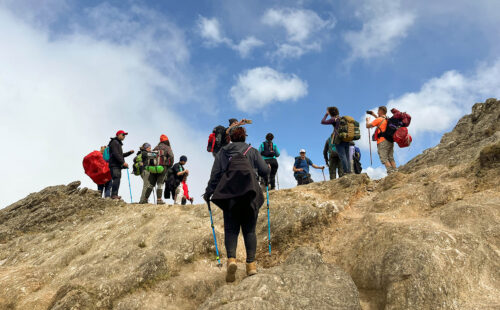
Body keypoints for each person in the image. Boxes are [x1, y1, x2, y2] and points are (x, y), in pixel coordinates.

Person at [204, 127, 270, 283]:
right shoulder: (252, 151)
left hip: (230, 195)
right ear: (244, 137)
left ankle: (232, 260)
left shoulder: (223, 152)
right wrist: (268, 168)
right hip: (250, 195)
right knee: (249, 230)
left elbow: (215, 175)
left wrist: (208, 192)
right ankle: (251, 265)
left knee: (231, 229)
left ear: (231, 138)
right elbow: (264, 171)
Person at [143, 135, 174, 204]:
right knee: (160, 184)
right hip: (162, 167)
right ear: (167, 141)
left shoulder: (156, 147)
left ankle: (145, 199)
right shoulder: (167, 148)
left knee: (151, 184)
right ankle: (159, 200)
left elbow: (150, 157)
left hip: (153, 168)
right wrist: (169, 165)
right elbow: (171, 156)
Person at [366, 106, 397, 174]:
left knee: (384, 158)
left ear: (381, 111)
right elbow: (379, 121)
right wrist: (373, 114)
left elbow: (368, 126)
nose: (377, 112)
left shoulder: (379, 119)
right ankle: (395, 171)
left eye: (378, 111)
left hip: (382, 141)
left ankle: (391, 172)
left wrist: (367, 120)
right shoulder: (387, 119)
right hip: (390, 140)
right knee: (390, 157)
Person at [321, 106, 351, 174]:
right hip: (346, 138)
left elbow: (323, 122)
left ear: (330, 113)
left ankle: (346, 171)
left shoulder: (334, 119)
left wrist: (326, 114)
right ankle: (349, 170)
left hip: (339, 139)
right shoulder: (342, 119)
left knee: (342, 156)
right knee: (347, 156)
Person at [108, 130, 134, 200]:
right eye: (123, 134)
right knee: (116, 178)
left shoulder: (117, 143)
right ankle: (114, 195)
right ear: (118, 134)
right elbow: (116, 154)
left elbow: (120, 155)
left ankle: (114, 194)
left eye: (124, 135)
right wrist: (123, 162)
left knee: (117, 179)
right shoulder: (114, 142)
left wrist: (129, 153)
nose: (124, 136)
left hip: (116, 165)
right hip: (114, 165)